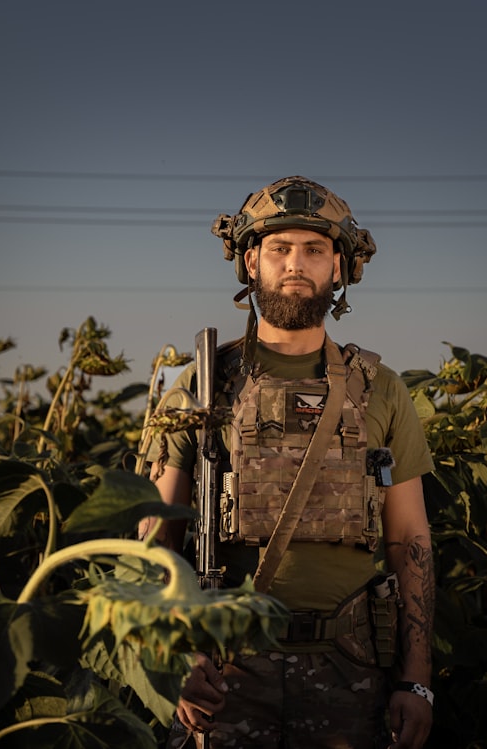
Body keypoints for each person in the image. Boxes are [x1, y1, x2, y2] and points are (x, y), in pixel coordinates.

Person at [140, 176, 435, 749]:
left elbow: (411, 542)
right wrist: (171, 658)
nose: (295, 264)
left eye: (314, 249)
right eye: (279, 248)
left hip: (351, 672)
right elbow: (155, 541)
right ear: (251, 262)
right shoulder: (201, 385)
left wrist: (417, 679)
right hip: (225, 674)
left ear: (340, 268)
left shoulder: (382, 389)